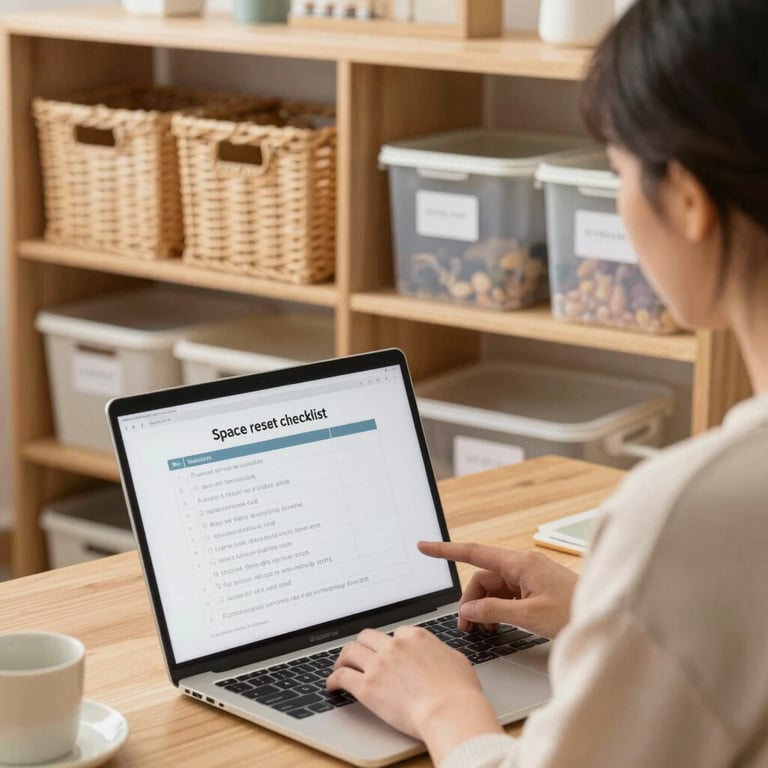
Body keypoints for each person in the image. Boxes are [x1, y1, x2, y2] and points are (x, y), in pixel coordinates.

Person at [326, 0, 768, 765]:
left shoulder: (698, 510)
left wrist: (447, 710)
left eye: (618, 172)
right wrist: (612, 612)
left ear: (690, 201)